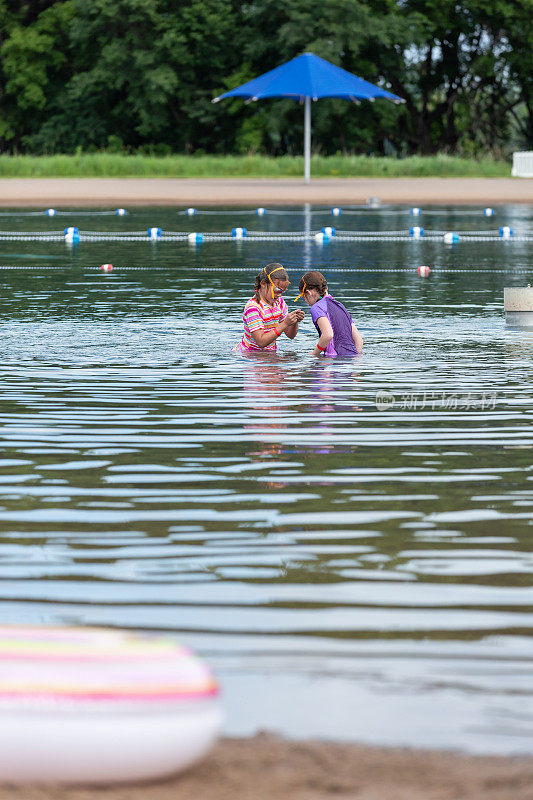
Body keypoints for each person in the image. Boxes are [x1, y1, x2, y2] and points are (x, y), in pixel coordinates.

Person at [239, 263, 304, 353]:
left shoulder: (279, 303)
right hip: (250, 355)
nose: (279, 295)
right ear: (263, 284)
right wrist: (285, 323)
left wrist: (294, 321)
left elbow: (290, 335)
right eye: (277, 290)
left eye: (283, 291)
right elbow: (261, 342)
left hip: (269, 353)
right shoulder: (253, 307)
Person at [295, 270, 363, 357]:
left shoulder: (316, 308)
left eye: (303, 296)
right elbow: (359, 340)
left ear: (309, 293)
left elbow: (328, 335)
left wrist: (314, 353)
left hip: (332, 361)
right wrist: (354, 360)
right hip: (350, 363)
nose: (304, 299)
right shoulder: (340, 305)